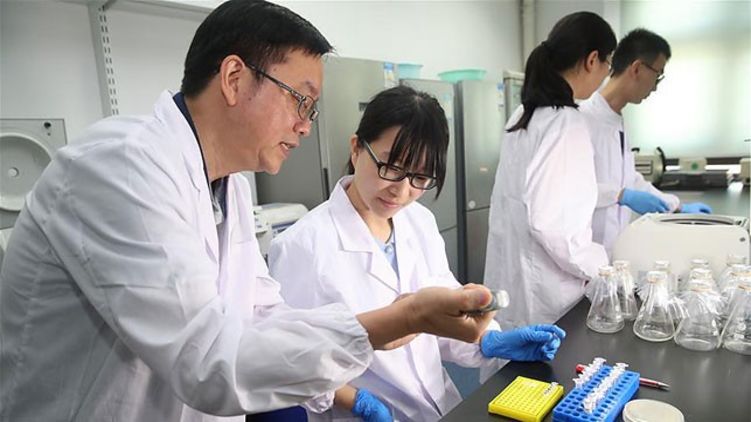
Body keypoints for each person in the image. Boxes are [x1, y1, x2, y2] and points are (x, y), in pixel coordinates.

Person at [0, 2, 498, 421]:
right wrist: (397, 318)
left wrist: (385, 325)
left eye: (311, 109)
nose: (305, 126)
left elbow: (262, 317)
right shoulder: (122, 166)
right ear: (234, 78)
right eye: (300, 100)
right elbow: (206, 360)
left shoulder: (229, 187)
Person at [268, 86, 566, 422]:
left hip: (440, 404)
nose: (402, 190)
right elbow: (291, 362)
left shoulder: (419, 221)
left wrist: (489, 341)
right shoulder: (302, 246)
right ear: (356, 148)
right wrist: (356, 402)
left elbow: (439, 319)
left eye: (420, 177)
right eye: (391, 167)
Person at [483, 12, 617, 330]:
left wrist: (618, 194)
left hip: (514, 278)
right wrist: (600, 266)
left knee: (512, 354)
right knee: (545, 357)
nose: (605, 75)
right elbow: (551, 224)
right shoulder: (565, 122)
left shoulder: (525, 114)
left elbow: (547, 196)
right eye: (608, 65)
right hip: (547, 290)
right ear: (592, 60)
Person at [579, 28, 712, 254]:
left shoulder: (616, 119)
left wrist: (676, 206)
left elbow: (629, 179)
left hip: (612, 250)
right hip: (584, 251)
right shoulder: (582, 119)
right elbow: (571, 188)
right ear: (637, 68)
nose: (656, 86)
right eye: (657, 75)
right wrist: (621, 196)